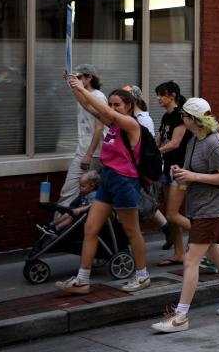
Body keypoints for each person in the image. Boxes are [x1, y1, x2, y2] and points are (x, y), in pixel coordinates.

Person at [151, 97, 219, 333]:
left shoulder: (215, 143)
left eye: (184, 116)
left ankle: (181, 315)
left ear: (192, 119)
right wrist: (180, 173)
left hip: (213, 208)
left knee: (191, 259)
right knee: (216, 255)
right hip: (200, 206)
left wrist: (193, 177)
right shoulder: (195, 139)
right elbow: (191, 171)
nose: (181, 119)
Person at [56, 76, 150, 294]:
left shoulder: (131, 124)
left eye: (117, 104)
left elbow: (106, 113)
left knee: (132, 231)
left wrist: (83, 88)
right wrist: (75, 88)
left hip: (125, 182)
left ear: (128, 106)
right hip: (107, 180)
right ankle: (82, 280)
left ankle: (142, 275)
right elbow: (89, 107)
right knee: (90, 228)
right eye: (111, 103)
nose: (112, 108)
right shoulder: (113, 125)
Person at [57, 65, 106, 209]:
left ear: (89, 77)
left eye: (79, 77)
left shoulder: (98, 96)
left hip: (93, 153)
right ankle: (62, 225)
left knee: (72, 191)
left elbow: (99, 127)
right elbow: (83, 102)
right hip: (84, 150)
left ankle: (60, 226)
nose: (76, 80)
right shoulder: (85, 95)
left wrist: (89, 154)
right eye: (75, 78)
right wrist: (70, 82)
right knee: (73, 192)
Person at [155, 81, 190, 265]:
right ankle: (179, 254)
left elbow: (175, 143)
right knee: (172, 215)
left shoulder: (180, 116)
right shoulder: (166, 117)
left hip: (181, 172)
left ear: (173, 95)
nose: (159, 98)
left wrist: (153, 153)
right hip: (167, 171)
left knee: (172, 214)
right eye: (158, 95)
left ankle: (206, 236)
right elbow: (160, 140)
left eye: (162, 94)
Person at [38, 171, 100, 236]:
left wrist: (80, 209)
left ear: (92, 186)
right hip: (78, 213)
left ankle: (56, 228)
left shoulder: (93, 195)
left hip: (86, 216)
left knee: (70, 218)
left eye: (83, 186)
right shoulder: (84, 193)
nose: (80, 188)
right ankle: (51, 224)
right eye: (80, 185)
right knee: (68, 213)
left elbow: (92, 205)